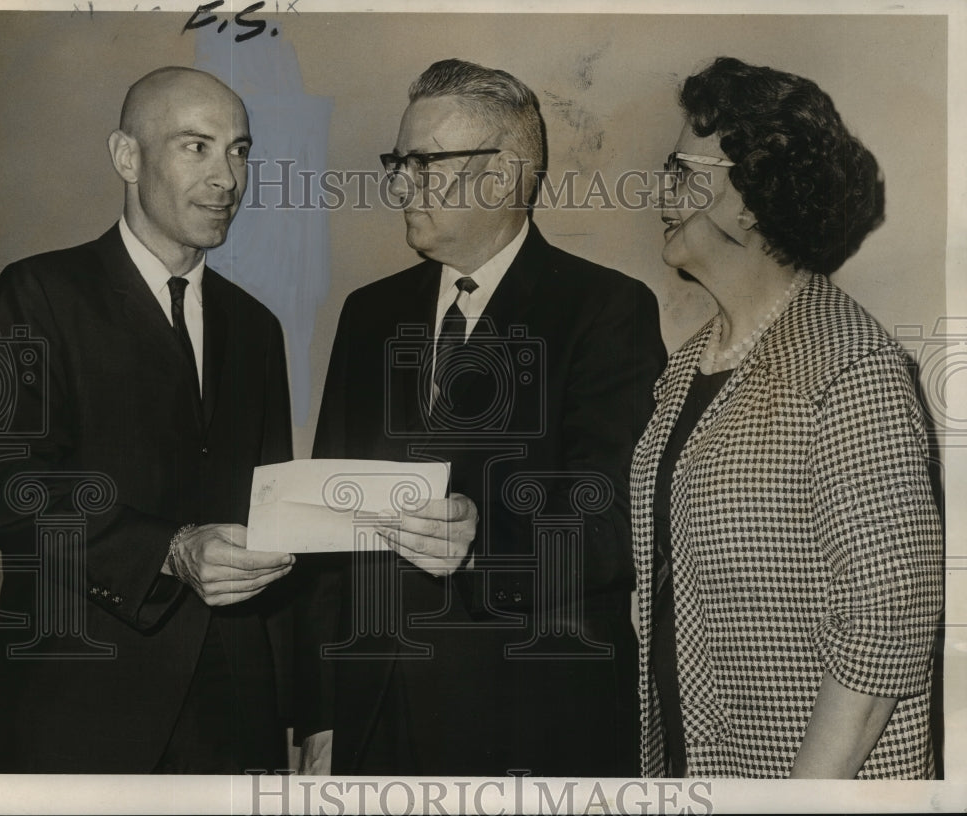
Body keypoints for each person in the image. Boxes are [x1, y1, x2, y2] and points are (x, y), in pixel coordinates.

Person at [292, 58, 666, 776]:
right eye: (396, 161)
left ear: (503, 175)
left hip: (530, 726)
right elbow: (326, 537)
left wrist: (478, 539)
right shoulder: (368, 314)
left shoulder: (603, 311)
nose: (399, 183)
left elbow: (618, 523)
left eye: (422, 163)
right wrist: (322, 715)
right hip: (370, 722)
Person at [631, 56, 943, 778]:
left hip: (804, 780)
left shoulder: (849, 366)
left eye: (681, 170)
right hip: (698, 762)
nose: (660, 189)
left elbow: (886, 621)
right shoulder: (686, 367)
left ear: (746, 196)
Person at [0, 66, 296, 773]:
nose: (228, 178)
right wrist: (173, 548)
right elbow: (12, 492)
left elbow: (270, 517)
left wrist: (304, 714)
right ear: (127, 156)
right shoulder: (36, 294)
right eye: (197, 146)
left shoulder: (257, 328)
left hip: (235, 720)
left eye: (239, 150)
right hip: (82, 711)